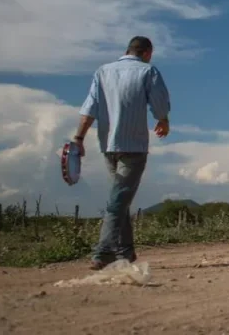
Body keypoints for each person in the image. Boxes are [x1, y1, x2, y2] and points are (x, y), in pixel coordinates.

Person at [72, 36, 170, 270]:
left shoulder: (103, 72)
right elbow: (159, 102)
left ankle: (125, 252)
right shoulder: (148, 71)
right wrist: (163, 119)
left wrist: (79, 138)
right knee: (118, 201)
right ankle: (104, 251)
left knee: (120, 198)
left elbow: (90, 108)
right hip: (134, 146)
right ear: (147, 53)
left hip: (108, 145)